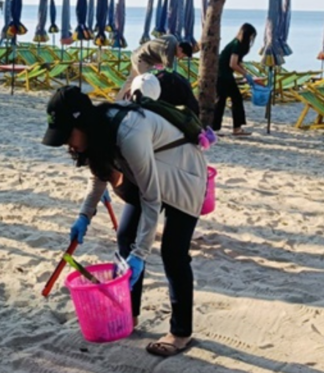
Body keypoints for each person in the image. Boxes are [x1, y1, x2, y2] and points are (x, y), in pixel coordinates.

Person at [42, 86, 207, 358]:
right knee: (125, 237)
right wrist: (84, 215)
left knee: (173, 252)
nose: (68, 145)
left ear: (82, 124)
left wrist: (140, 254)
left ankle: (181, 332)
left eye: (68, 136)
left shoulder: (129, 133)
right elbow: (99, 173)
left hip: (183, 175)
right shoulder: (98, 131)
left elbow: (151, 198)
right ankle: (129, 314)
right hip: (150, 172)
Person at [116, 34, 194, 100]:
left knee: (130, 82)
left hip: (138, 54)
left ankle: (118, 101)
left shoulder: (172, 38)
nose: (181, 58)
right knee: (146, 83)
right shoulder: (169, 52)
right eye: (183, 55)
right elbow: (169, 72)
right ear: (180, 49)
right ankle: (138, 102)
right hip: (142, 59)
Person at [214, 23, 258, 136]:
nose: (252, 39)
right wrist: (245, 74)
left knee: (224, 100)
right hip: (223, 75)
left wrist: (247, 74)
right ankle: (233, 128)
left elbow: (237, 63)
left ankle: (218, 128)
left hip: (223, 74)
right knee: (231, 99)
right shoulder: (237, 45)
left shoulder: (236, 43)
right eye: (251, 36)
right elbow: (232, 64)